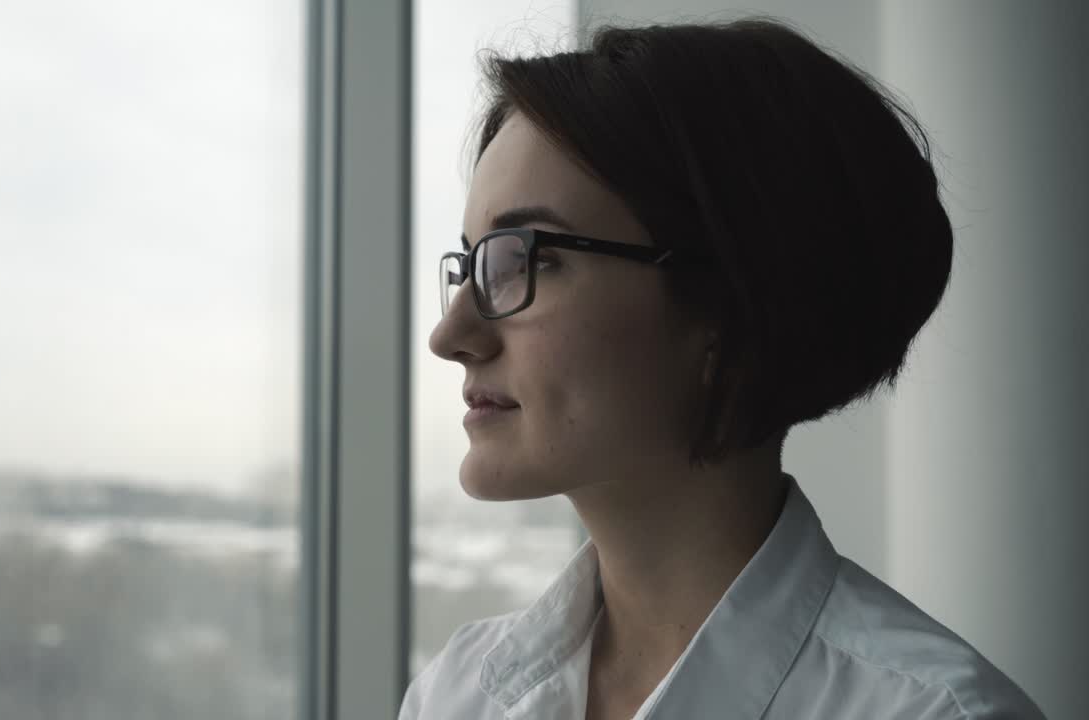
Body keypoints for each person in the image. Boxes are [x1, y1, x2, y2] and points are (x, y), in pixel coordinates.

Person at [399, 16, 1045, 720]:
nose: (452, 333)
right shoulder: (456, 695)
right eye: (471, 264)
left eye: (529, 260)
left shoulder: (933, 714)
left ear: (727, 303)